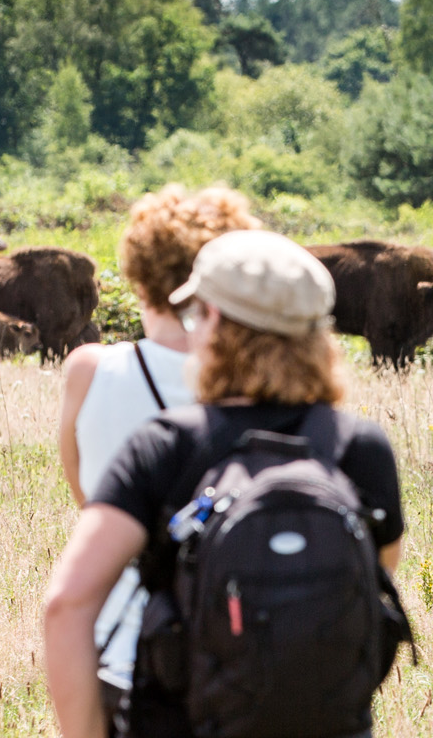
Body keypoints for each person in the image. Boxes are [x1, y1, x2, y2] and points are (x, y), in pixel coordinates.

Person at [43, 230, 407, 738]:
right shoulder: (361, 448)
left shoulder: (164, 446)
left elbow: (67, 604)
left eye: (197, 314)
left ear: (213, 321)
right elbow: (369, 598)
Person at [55, 186, 259, 725]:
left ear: (137, 278)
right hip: (253, 658)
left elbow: (88, 499)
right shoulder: (269, 387)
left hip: (126, 649)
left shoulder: (89, 371)